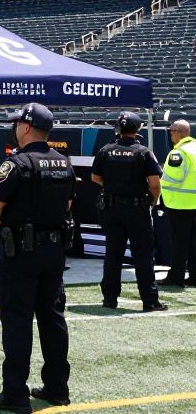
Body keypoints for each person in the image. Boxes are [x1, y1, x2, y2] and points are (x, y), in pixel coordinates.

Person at [0, 103, 75, 413]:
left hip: (21, 253)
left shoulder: (17, 164)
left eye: (17, 124)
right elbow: (69, 204)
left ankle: (15, 394)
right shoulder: (63, 162)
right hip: (54, 252)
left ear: (25, 127)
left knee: (18, 321)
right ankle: (57, 387)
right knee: (52, 318)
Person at [91, 111, 164, 310]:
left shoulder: (106, 150)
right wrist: (152, 201)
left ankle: (109, 298)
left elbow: (95, 177)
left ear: (119, 128)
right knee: (142, 256)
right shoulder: (143, 152)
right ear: (138, 129)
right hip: (136, 209)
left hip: (112, 209)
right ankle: (149, 300)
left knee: (113, 254)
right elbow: (155, 184)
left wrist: (113, 186)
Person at [161, 119, 196, 288]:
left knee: (179, 243)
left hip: (180, 204)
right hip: (193, 203)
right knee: (194, 242)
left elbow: (173, 178)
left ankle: (176, 276)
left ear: (178, 132)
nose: (170, 134)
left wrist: (160, 178)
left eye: (171, 131)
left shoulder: (179, 153)